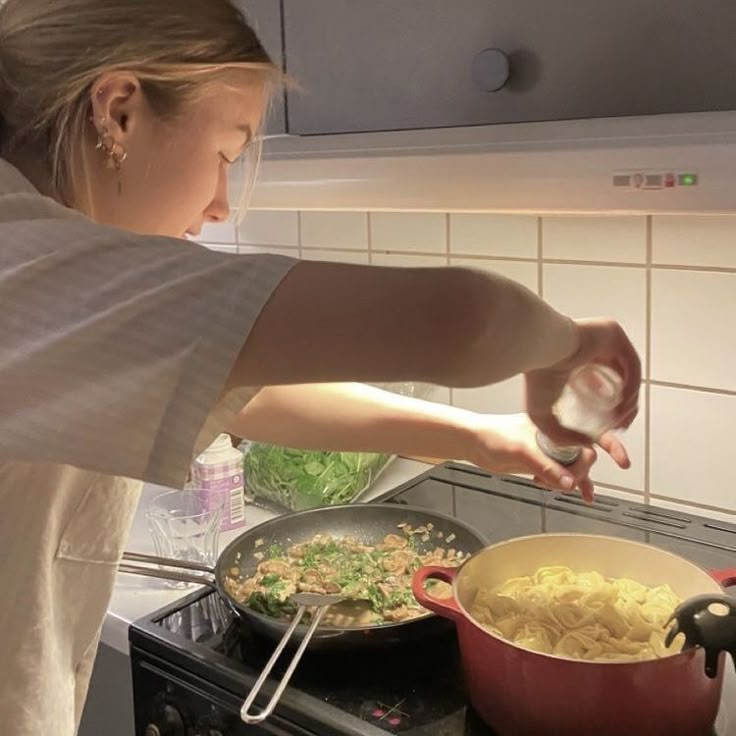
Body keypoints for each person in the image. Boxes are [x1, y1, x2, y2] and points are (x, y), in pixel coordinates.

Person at [0, 1, 640, 734]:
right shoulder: (29, 267)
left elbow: (246, 391)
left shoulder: (44, 255)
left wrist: (479, 435)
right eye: (225, 155)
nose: (218, 205)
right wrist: (569, 345)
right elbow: (463, 321)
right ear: (116, 112)